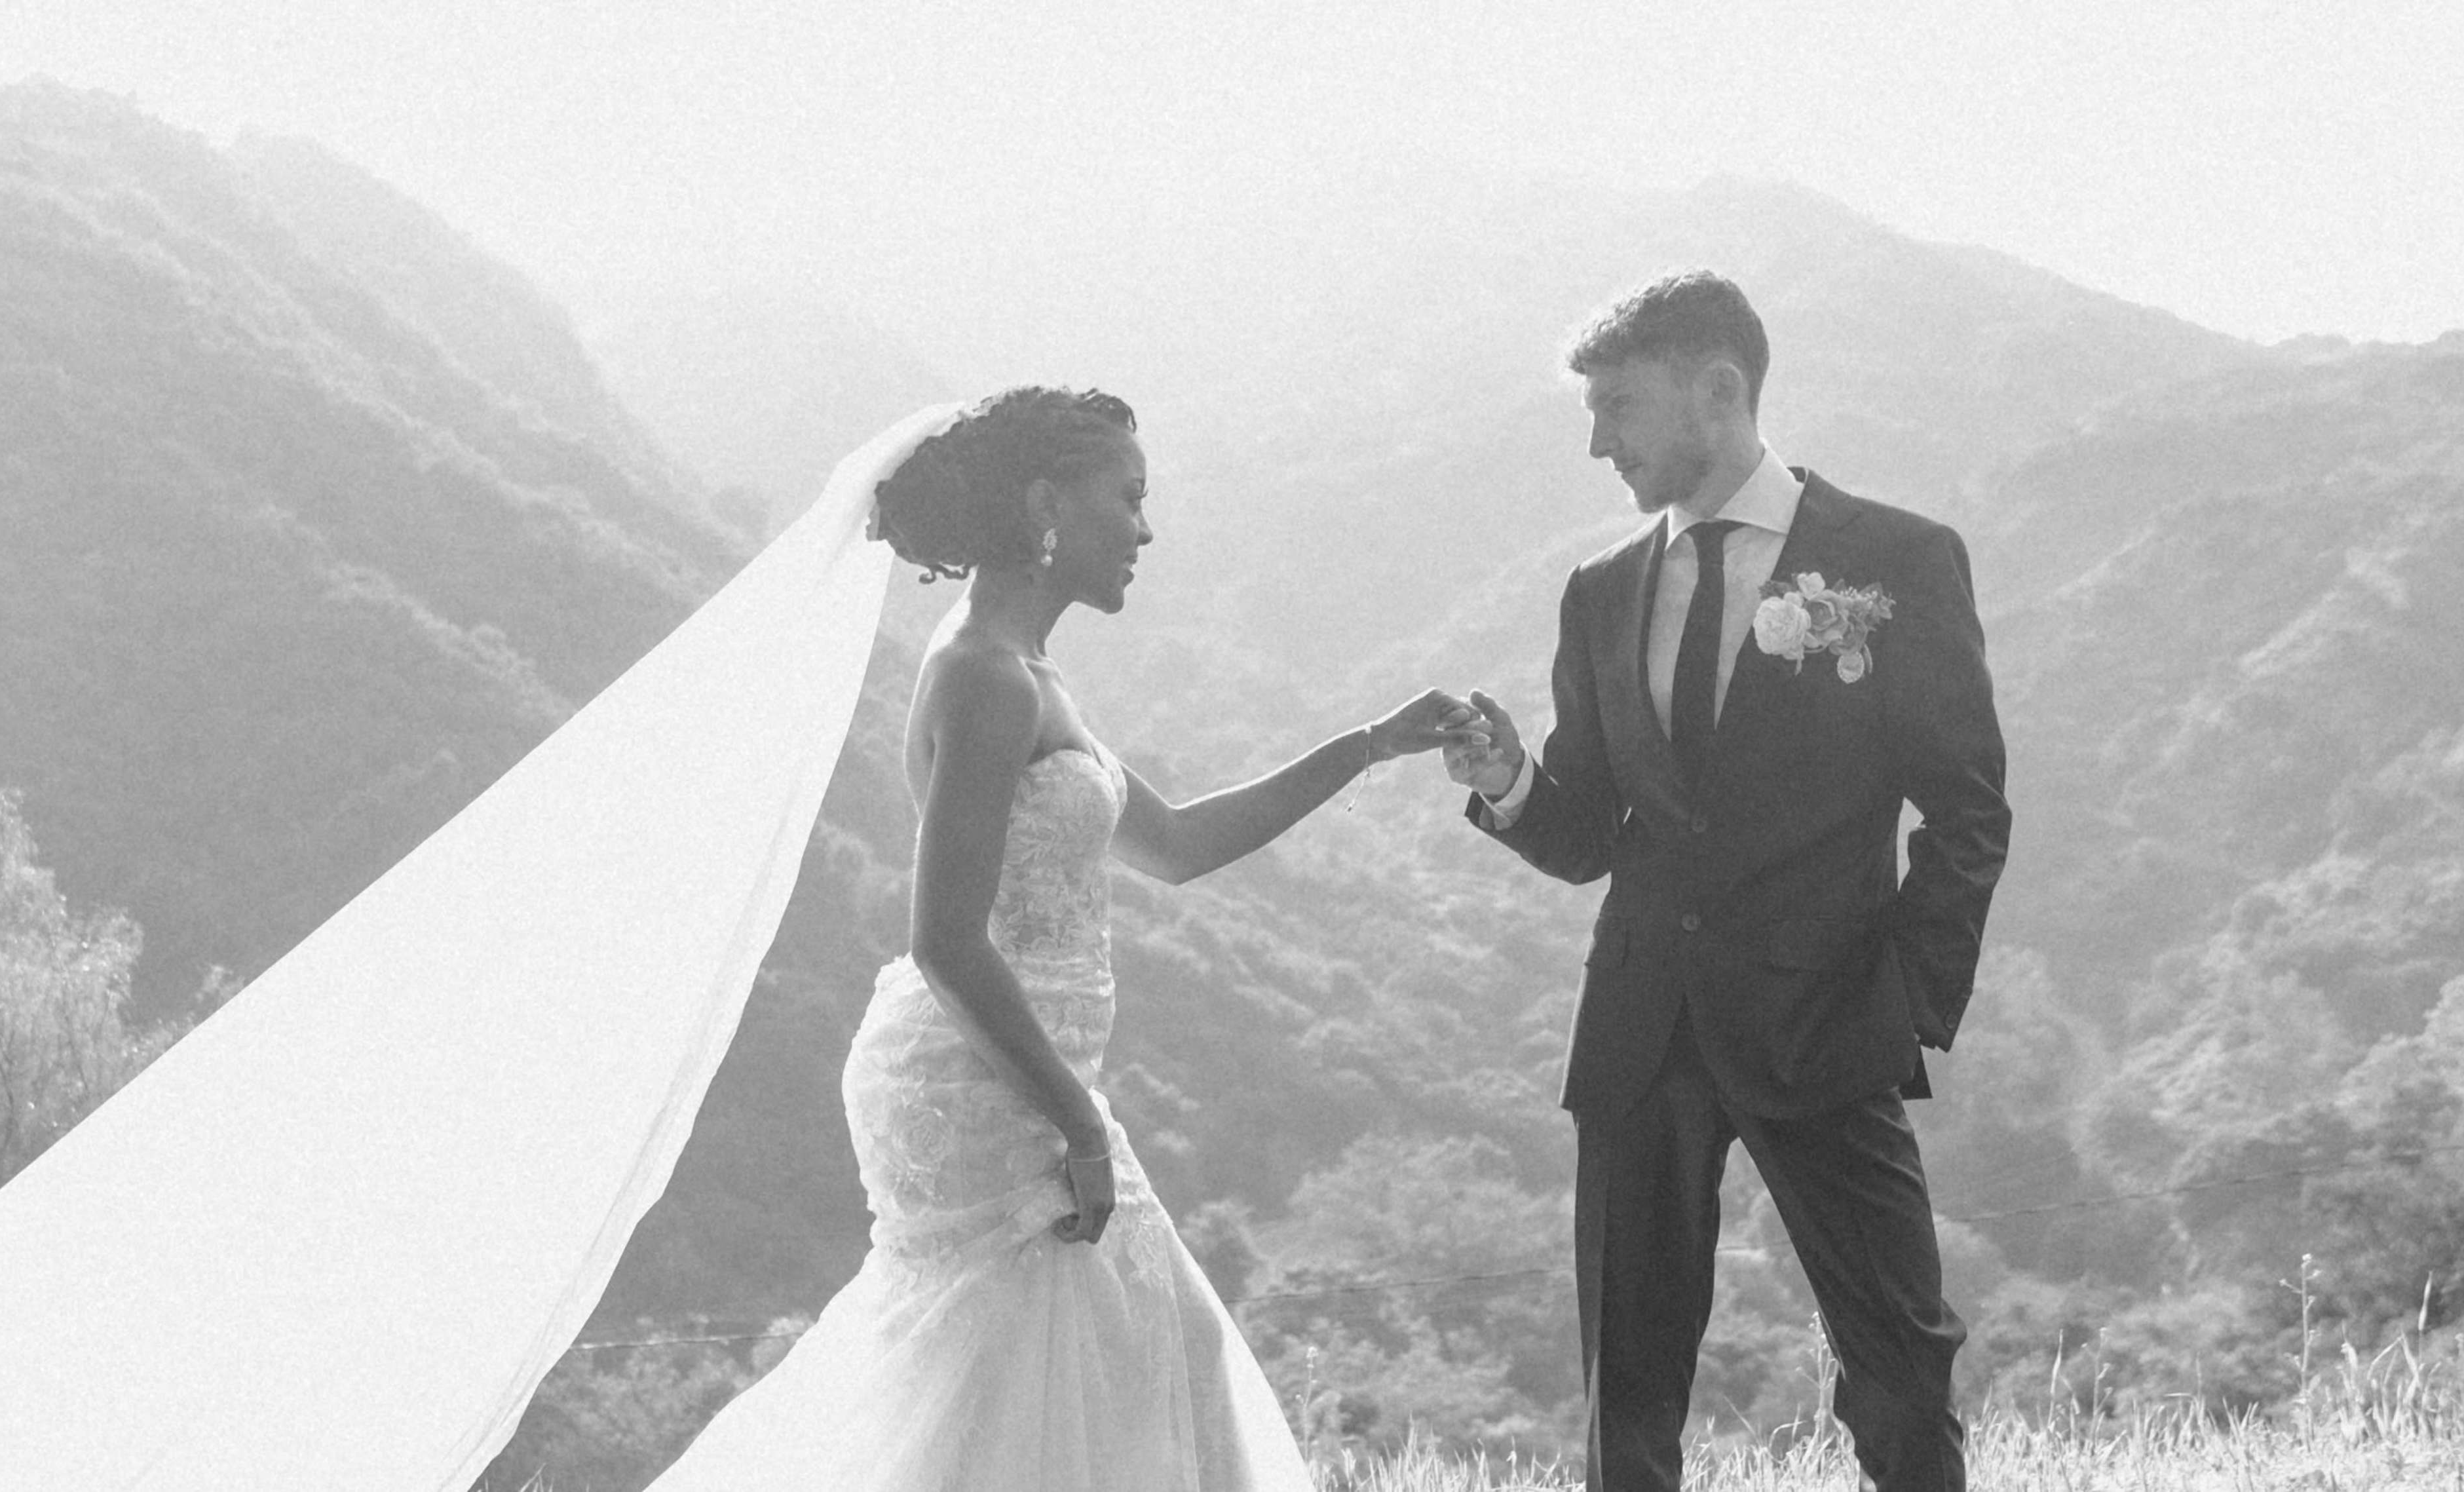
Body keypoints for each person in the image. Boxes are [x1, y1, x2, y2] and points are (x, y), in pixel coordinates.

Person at [648, 387, 1479, 1491]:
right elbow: (946, 940)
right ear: (1047, 502)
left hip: (1024, 1080)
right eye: (1127, 498)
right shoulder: (987, 679)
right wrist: (1078, 1122)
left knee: (1085, 1378)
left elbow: (1177, 843)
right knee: (1090, 1369)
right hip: (990, 1088)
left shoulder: (1030, 675)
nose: (1146, 528)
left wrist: (1372, 745)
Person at [1443, 272, 2010, 1491]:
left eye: (1619, 406)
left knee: (1902, 1367)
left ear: (1720, 389)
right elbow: (1591, 831)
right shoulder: (1599, 593)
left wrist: (1902, 999)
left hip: (1830, 1021)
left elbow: (1967, 810)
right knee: (1628, 1394)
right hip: (1641, 1029)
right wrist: (1508, 786)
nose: (1598, 439)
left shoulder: (1896, 559)